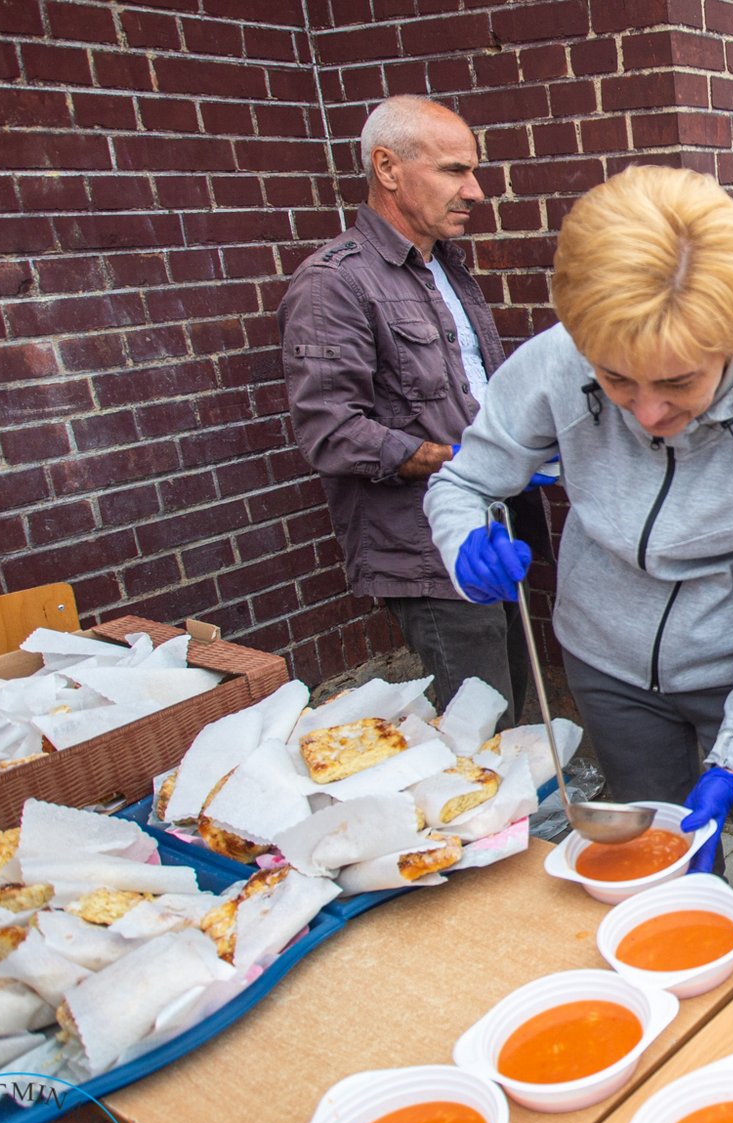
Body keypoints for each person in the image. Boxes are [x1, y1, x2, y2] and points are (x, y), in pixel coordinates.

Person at [423, 166, 733, 935]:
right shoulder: (559, 360)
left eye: (678, 382)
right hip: (610, 668)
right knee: (659, 894)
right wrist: (462, 541)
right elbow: (464, 482)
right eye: (616, 380)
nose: (647, 412)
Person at [279, 94, 530, 727]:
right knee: (480, 728)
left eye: (473, 171)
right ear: (387, 168)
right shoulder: (333, 282)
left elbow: (473, 389)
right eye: (454, 171)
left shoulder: (446, 265)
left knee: (512, 700)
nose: (475, 191)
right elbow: (330, 430)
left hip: (490, 525)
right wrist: (458, 460)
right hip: (425, 550)